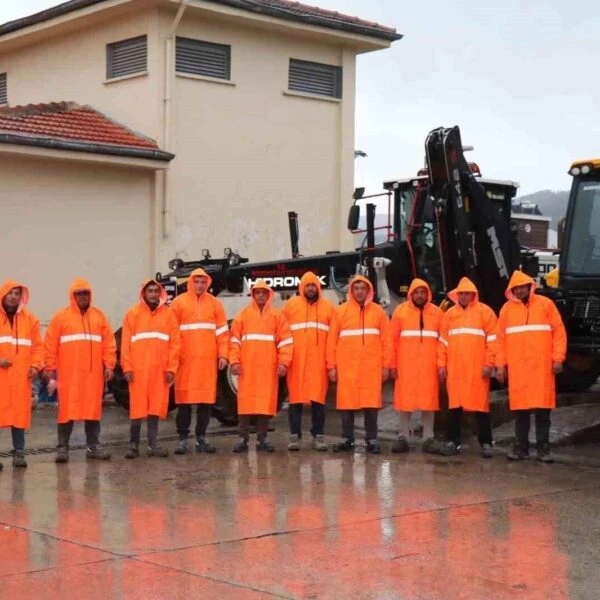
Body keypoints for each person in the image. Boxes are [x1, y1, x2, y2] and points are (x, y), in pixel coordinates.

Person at [496, 270, 567, 462]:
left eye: (522, 288)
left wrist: (558, 359)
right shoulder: (506, 310)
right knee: (521, 412)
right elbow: (500, 341)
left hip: (542, 368)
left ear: (529, 287)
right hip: (519, 370)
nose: (519, 291)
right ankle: (521, 448)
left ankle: (544, 449)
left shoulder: (546, 305)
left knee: (543, 411)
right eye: (516, 289)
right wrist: (500, 365)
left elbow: (559, 333)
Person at [44, 278, 116, 463]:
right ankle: (62, 448)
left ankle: (93, 446)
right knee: (67, 410)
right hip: (70, 375)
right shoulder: (61, 318)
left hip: (93, 375)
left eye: (85, 293)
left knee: (93, 410)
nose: (83, 296)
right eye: (79, 293)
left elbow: (109, 344)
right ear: (73, 295)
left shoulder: (99, 317)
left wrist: (109, 365)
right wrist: (51, 371)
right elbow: (50, 345)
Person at [326, 275, 392, 454]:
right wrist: (331, 367)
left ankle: (371, 439)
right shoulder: (340, 312)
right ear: (351, 290)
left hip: (371, 367)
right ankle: (347, 439)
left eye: (363, 288)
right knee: (347, 405)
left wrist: (386, 366)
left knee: (371, 405)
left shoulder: (378, 312)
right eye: (356, 288)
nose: (360, 292)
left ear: (369, 290)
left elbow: (387, 341)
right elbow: (331, 341)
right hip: (347, 368)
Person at [229, 281, 293, 453]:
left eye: (264, 293)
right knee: (245, 404)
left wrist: (283, 363)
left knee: (265, 404)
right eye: (258, 293)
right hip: (247, 368)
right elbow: (234, 341)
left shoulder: (277, 316)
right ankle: (242, 439)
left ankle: (262, 439)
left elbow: (286, 342)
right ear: (253, 294)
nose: (261, 296)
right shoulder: (243, 315)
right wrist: (234, 361)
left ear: (269, 294)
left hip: (267, 368)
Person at [170, 268, 229, 455]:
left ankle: (201, 438)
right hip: (185, 362)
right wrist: (172, 360)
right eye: (197, 281)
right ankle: (182, 439)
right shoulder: (178, 303)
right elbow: (171, 334)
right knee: (184, 403)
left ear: (208, 283)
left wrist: (223, 355)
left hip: (207, 363)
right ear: (191, 282)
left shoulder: (215, 304)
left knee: (205, 403)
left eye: (203, 282)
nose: (200, 285)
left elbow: (222, 333)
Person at [438, 277, 497, 458]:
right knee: (454, 408)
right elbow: (442, 342)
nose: (463, 296)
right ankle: (453, 442)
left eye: (466, 294)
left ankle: (486, 443)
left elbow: (493, 341)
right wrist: (441, 365)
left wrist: (489, 364)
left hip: (477, 369)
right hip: (455, 369)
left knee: (480, 408)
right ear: (457, 295)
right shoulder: (449, 315)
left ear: (473, 295)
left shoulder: (485, 312)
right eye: (461, 293)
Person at [121, 279, 180, 459]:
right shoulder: (133, 314)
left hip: (159, 371)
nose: (153, 294)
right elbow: (125, 344)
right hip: (138, 371)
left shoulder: (168, 315)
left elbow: (175, 344)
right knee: (137, 409)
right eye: (150, 291)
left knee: (155, 407)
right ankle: (133, 445)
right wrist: (127, 367)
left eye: (156, 291)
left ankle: (153, 444)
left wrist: (171, 369)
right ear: (144, 293)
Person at [390, 278, 445, 454]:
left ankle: (428, 437)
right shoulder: (400, 312)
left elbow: (443, 342)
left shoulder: (437, 313)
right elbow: (392, 341)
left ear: (427, 294)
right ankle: (402, 437)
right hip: (406, 366)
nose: (420, 295)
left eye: (423, 292)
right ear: (411, 294)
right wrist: (392, 364)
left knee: (429, 402)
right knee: (405, 402)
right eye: (417, 292)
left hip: (429, 366)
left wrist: (441, 364)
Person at [282, 272, 335, 452]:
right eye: (307, 285)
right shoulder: (290, 306)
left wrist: (331, 364)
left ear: (318, 287)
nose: (311, 288)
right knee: (295, 400)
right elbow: (282, 334)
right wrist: (284, 359)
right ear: (302, 287)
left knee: (318, 400)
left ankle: (318, 436)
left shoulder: (328, 308)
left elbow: (333, 339)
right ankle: (294, 437)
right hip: (296, 362)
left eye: (313, 285)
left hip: (319, 363)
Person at [0, 281, 44, 468]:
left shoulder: (30, 319)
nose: (13, 296)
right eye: (10, 293)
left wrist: (35, 366)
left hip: (20, 377)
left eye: (17, 293)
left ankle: (19, 453)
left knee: (18, 415)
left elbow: (38, 347)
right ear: (3, 295)